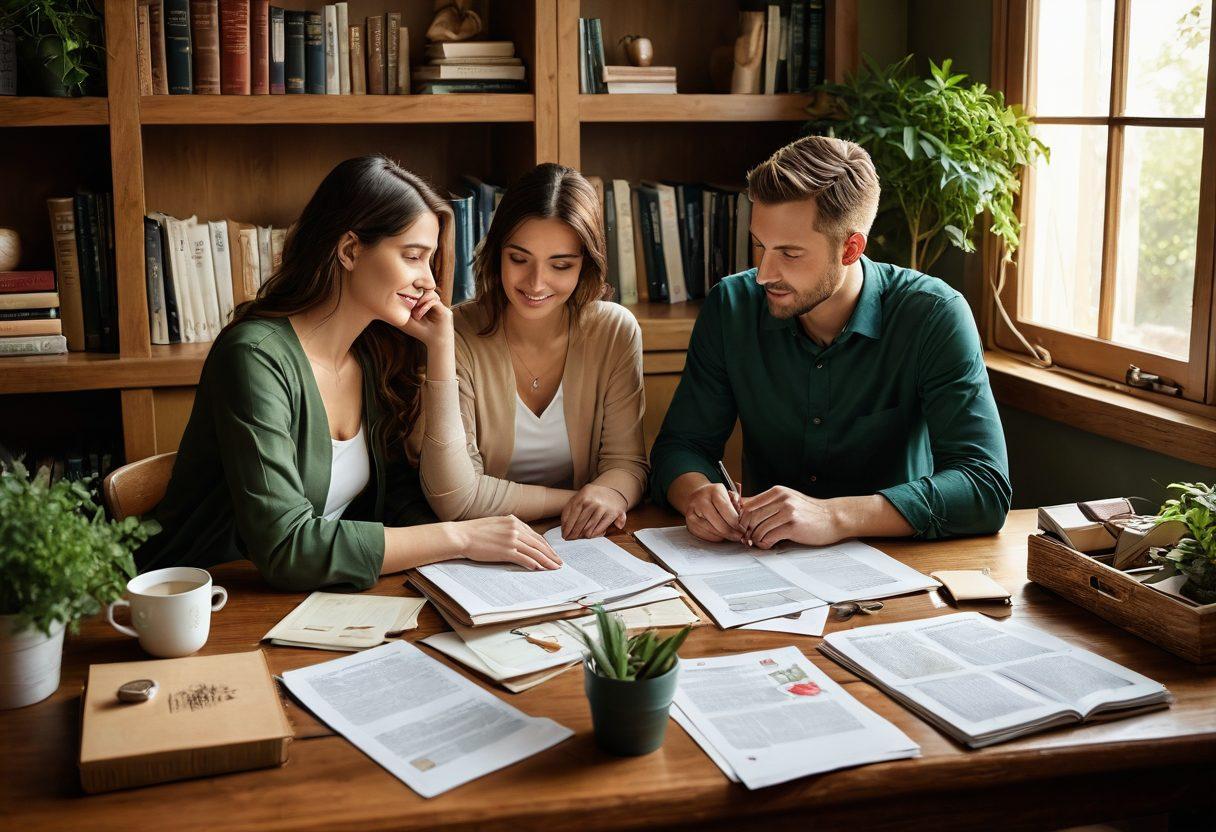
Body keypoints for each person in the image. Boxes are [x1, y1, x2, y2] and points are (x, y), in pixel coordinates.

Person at [137, 155, 562, 591]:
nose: (429, 284)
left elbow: (396, 493)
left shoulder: (373, 352)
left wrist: (440, 348)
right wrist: (461, 538)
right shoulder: (253, 357)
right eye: (413, 257)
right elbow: (286, 546)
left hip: (314, 600)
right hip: (207, 600)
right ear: (349, 250)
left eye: (430, 261)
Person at [649, 135, 1011, 548]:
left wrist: (836, 516)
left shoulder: (933, 314)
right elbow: (680, 446)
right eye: (760, 245)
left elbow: (984, 485)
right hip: (763, 563)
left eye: (790, 253)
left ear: (850, 248)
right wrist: (698, 493)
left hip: (900, 566)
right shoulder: (731, 306)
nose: (764, 273)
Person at [417, 163, 648, 539]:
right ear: (497, 254)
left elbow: (627, 464)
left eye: (560, 265)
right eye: (519, 259)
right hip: (482, 544)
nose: (536, 283)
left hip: (583, 542)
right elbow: (454, 496)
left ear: (585, 265)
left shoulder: (614, 331)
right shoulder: (455, 333)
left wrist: (611, 492)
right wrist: (584, 498)